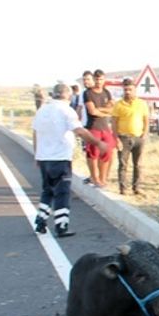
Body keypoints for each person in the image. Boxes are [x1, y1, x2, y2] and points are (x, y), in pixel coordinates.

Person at [32, 83, 108, 237]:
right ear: (68, 95)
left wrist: (37, 154)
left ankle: (41, 219)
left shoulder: (42, 110)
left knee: (47, 190)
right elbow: (79, 131)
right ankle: (61, 225)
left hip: (44, 157)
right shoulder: (66, 110)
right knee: (62, 192)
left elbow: (35, 133)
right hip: (60, 157)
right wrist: (97, 143)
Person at [112, 77, 150, 196]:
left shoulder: (142, 103)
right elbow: (114, 123)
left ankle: (136, 187)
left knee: (138, 164)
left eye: (130, 89)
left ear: (135, 90)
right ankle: (123, 188)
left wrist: (144, 134)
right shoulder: (118, 104)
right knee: (123, 164)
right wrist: (116, 139)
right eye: (126, 89)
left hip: (138, 138)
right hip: (123, 138)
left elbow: (146, 120)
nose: (128, 92)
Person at [83, 69, 116, 188]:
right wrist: (105, 111)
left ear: (104, 80)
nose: (99, 82)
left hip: (105, 127)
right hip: (93, 127)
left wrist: (101, 110)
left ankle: (103, 178)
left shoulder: (106, 92)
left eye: (101, 79)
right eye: (96, 79)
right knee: (93, 153)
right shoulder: (88, 93)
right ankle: (95, 177)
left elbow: (112, 108)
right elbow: (92, 111)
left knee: (107, 151)